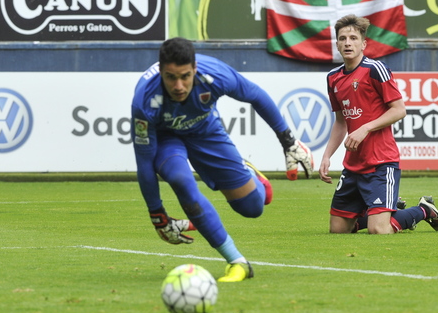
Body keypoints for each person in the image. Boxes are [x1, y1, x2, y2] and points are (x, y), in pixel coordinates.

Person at [131, 37, 314, 282]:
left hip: (205, 131)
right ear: (161, 71)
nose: (178, 85)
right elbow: (144, 164)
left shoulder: (215, 74)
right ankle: (237, 262)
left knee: (252, 208)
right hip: (167, 139)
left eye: (185, 76)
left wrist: (288, 141)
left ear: (194, 69)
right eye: (170, 77)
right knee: (180, 180)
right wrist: (158, 216)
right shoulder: (144, 101)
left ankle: (249, 173)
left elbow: (255, 95)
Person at [318, 15, 438, 235]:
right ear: (337, 44)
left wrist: (365, 127)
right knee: (337, 230)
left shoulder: (375, 69)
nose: (347, 42)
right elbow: (341, 121)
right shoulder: (333, 78)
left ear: (363, 43)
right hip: (353, 166)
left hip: (381, 163)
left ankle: (423, 210)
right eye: (342, 38)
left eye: (353, 38)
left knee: (379, 230)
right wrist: (327, 155)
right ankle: (387, 210)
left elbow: (399, 110)